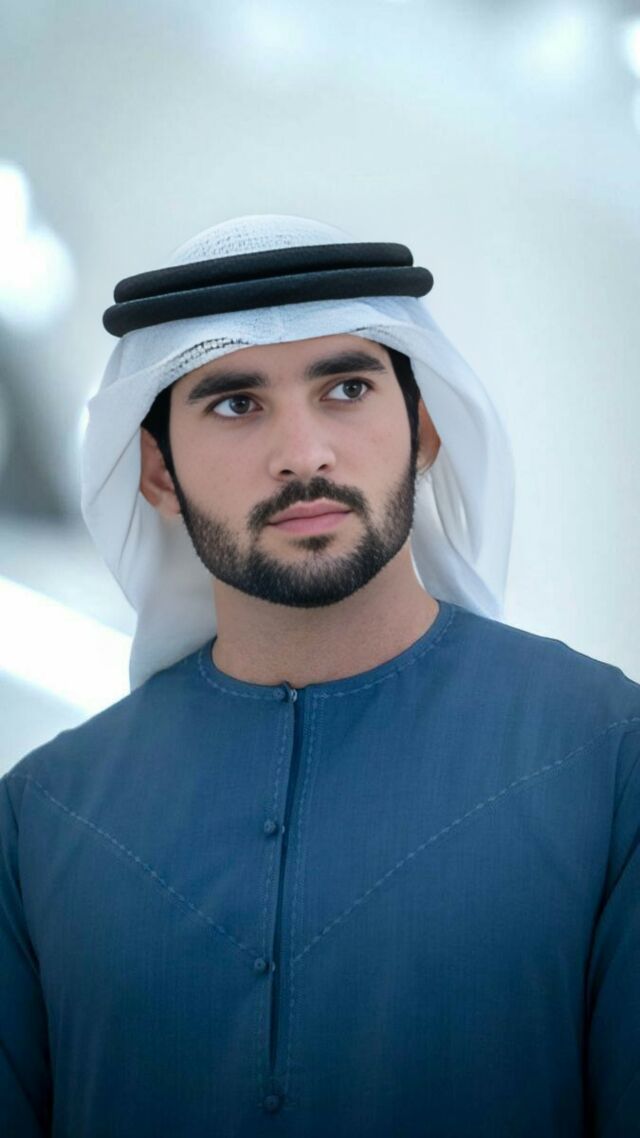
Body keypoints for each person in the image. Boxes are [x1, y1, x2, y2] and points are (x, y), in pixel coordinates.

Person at [1, 215, 638, 1138]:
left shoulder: (607, 760)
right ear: (157, 472)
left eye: (346, 388)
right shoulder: (39, 821)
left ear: (424, 432)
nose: (303, 454)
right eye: (235, 404)